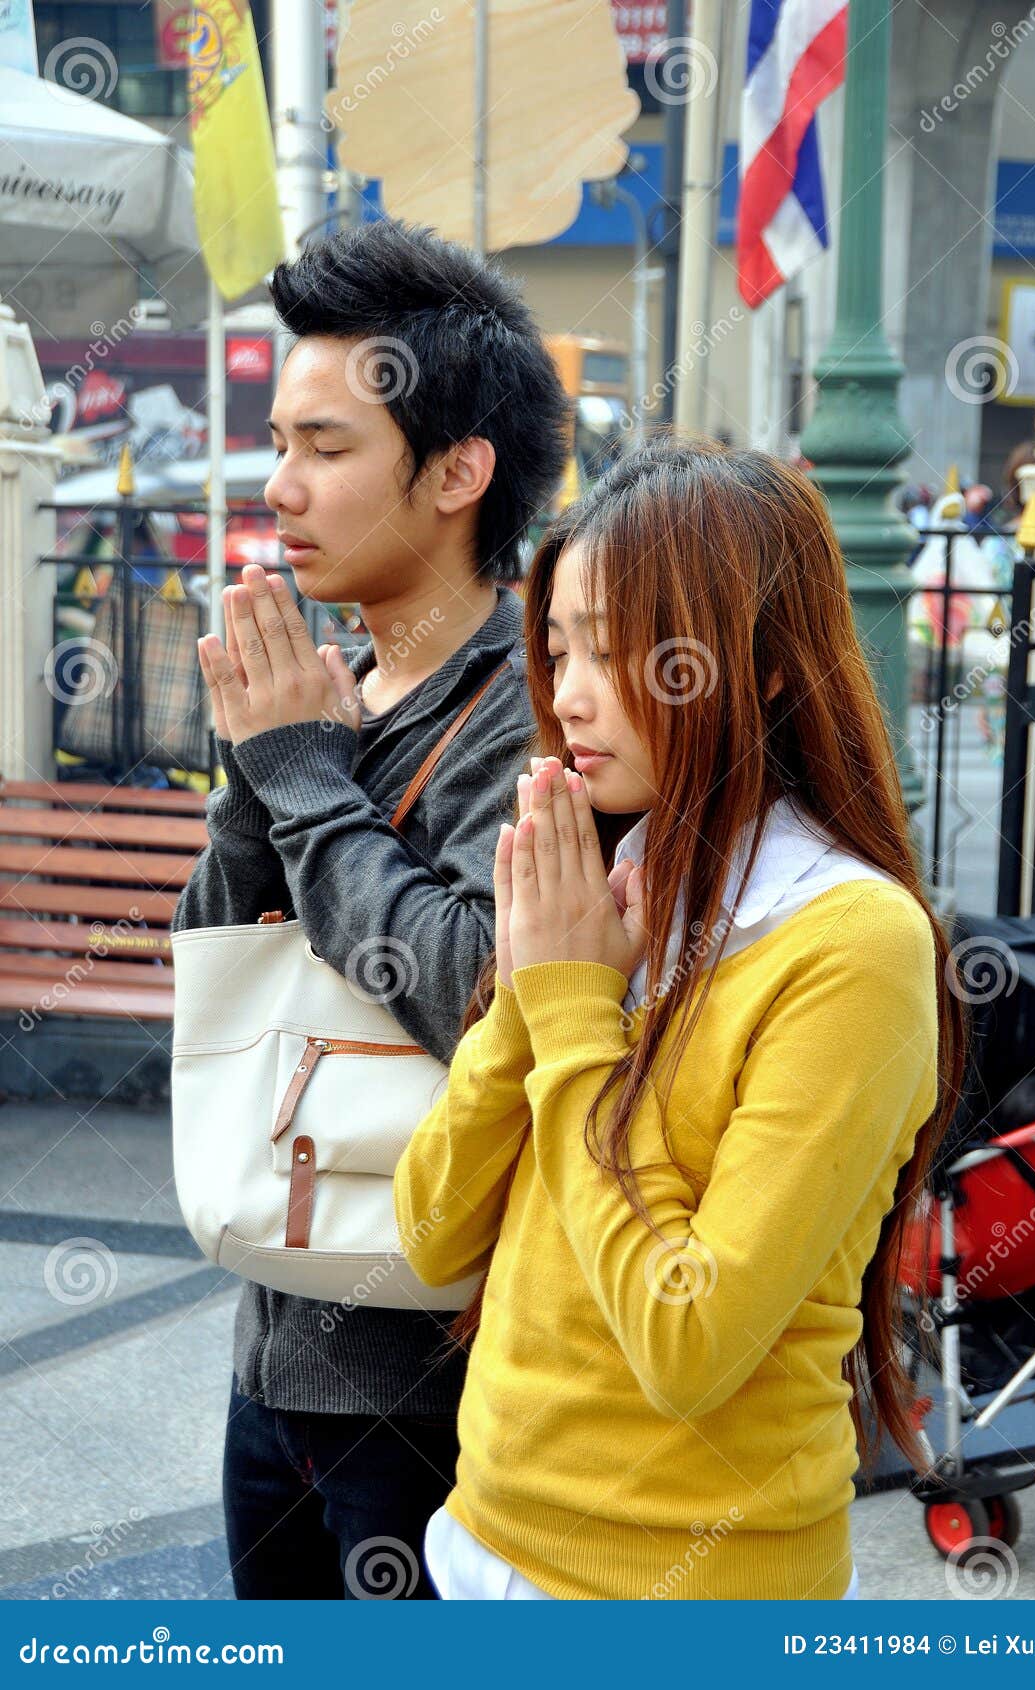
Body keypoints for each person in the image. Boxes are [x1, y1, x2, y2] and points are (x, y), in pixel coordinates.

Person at [394, 438, 967, 1600]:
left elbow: (688, 1342)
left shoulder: (851, 942)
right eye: (557, 648)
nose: (568, 693)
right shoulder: (613, 883)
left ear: (757, 665)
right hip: (481, 1542)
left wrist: (566, 1011)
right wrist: (532, 988)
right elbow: (432, 1233)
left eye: (614, 647)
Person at [172, 218, 568, 1599]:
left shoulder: (539, 706)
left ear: (460, 470)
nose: (279, 487)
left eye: (325, 448)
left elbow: (480, 991)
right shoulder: (333, 679)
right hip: (272, 1330)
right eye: (278, 441)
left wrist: (301, 777)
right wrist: (258, 777)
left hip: (432, 1376)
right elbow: (220, 964)